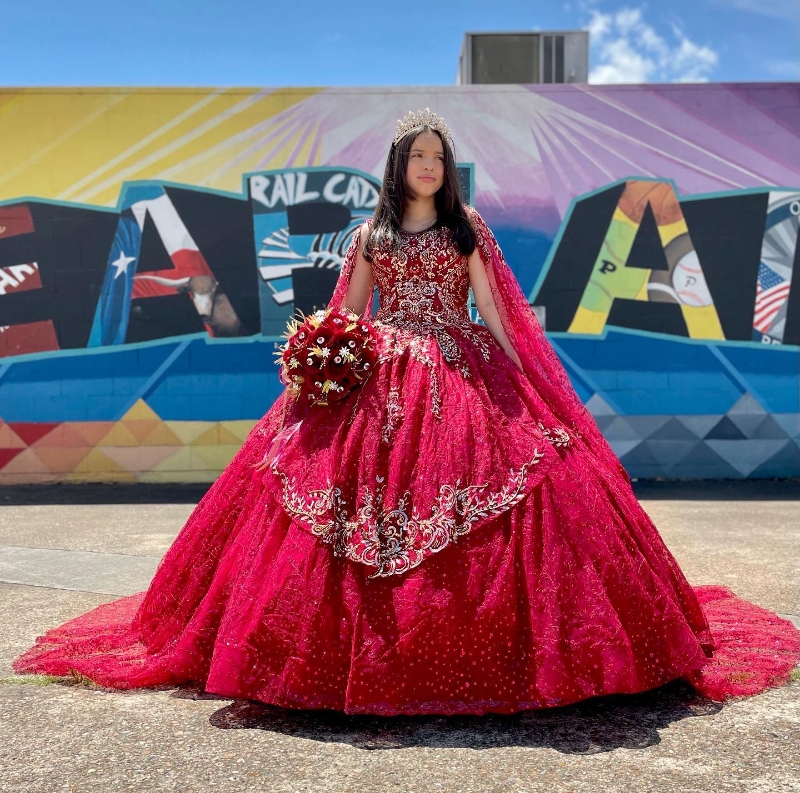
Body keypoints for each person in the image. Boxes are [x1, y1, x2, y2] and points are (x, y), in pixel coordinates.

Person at [13, 109, 799, 715]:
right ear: (399, 166)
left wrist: (528, 376)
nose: (429, 165)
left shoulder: (466, 228)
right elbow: (349, 309)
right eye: (418, 156)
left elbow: (492, 307)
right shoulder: (373, 231)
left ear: (447, 171)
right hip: (382, 372)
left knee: (519, 496)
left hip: (465, 369)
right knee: (329, 498)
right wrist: (321, 360)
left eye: (439, 157)